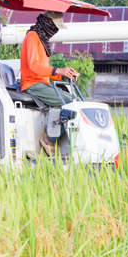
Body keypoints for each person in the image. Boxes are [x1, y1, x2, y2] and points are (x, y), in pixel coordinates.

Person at [20, 10, 80, 156]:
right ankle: (49, 141)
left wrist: (65, 74)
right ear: (47, 23)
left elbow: (45, 71)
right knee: (67, 101)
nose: (55, 30)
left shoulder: (41, 39)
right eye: (54, 26)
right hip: (32, 84)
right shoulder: (33, 37)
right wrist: (59, 71)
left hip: (42, 83)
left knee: (73, 99)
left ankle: (67, 142)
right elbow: (34, 67)